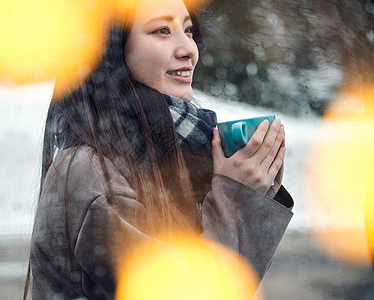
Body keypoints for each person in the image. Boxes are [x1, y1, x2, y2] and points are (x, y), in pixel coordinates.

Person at [26, 0, 294, 298]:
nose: (189, 50)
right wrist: (235, 198)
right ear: (110, 51)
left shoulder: (171, 153)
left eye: (188, 30)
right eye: (162, 30)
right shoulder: (88, 173)